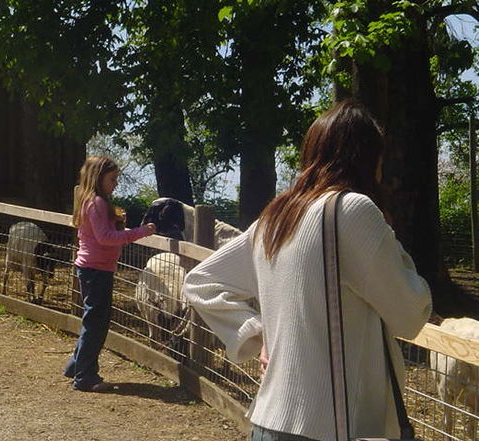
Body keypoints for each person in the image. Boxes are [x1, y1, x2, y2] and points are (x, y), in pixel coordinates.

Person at [182, 99, 432, 440]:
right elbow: (411, 314)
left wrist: (258, 333)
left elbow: (201, 282)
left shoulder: (277, 216)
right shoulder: (353, 210)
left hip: (268, 422)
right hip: (329, 429)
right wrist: (389, 237)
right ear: (370, 158)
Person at [64, 155, 156, 392]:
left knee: (93, 319)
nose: (116, 184)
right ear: (98, 178)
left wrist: (119, 224)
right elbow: (106, 238)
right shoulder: (97, 203)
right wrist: (140, 232)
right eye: (112, 179)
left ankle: (76, 366)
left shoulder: (90, 201)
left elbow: (101, 233)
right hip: (96, 269)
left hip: (93, 267)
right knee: (96, 322)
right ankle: (85, 376)